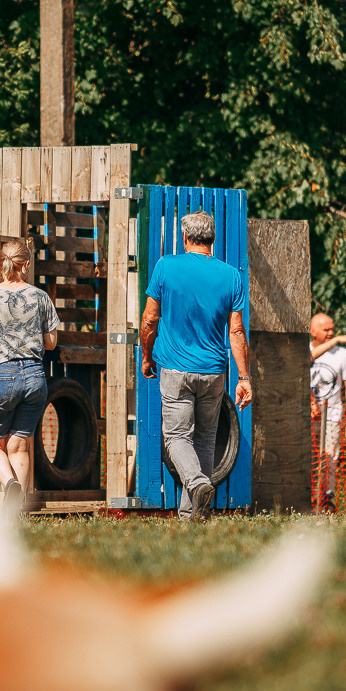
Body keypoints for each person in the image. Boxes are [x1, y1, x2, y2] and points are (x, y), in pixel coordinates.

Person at [139, 211, 251, 521]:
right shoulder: (231, 276)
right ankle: (192, 518)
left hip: (175, 369)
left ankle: (199, 483)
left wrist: (147, 356)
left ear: (186, 238)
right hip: (214, 372)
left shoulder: (166, 266)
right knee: (204, 439)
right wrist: (244, 377)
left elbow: (150, 319)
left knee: (177, 438)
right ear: (212, 239)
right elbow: (237, 331)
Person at [0, 241, 59, 510]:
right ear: (26, 265)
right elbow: (51, 342)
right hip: (33, 377)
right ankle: (16, 513)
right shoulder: (40, 297)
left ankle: (9, 484)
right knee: (19, 446)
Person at [309, 313, 346, 513]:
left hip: (332, 416)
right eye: (325, 329)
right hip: (307, 417)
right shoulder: (304, 349)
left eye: (332, 329)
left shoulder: (342, 355)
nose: (330, 333)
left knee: (329, 458)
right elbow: (308, 359)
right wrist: (311, 403)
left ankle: (327, 499)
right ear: (312, 331)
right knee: (308, 459)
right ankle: (308, 498)